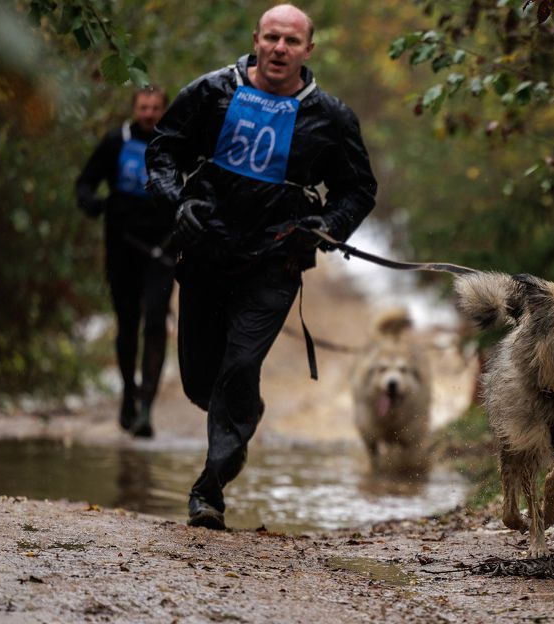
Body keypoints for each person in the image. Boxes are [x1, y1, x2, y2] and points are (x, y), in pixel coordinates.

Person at [145, 3, 377, 530]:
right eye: (271, 38)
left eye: (291, 42)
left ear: (307, 50)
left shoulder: (331, 117)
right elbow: (162, 152)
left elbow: (358, 189)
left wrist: (325, 228)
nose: (279, 48)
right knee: (201, 383)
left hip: (275, 261)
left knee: (239, 367)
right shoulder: (210, 92)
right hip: (206, 254)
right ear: (256, 40)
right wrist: (177, 205)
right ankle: (239, 420)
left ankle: (210, 489)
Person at [76, 87, 174, 438]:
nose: (149, 113)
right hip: (122, 247)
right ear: (135, 109)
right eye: (144, 107)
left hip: (163, 250)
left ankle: (147, 407)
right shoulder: (115, 141)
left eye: (155, 108)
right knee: (128, 323)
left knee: (155, 322)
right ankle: (128, 394)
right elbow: (85, 183)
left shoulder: (176, 145)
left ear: (165, 110)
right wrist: (92, 202)